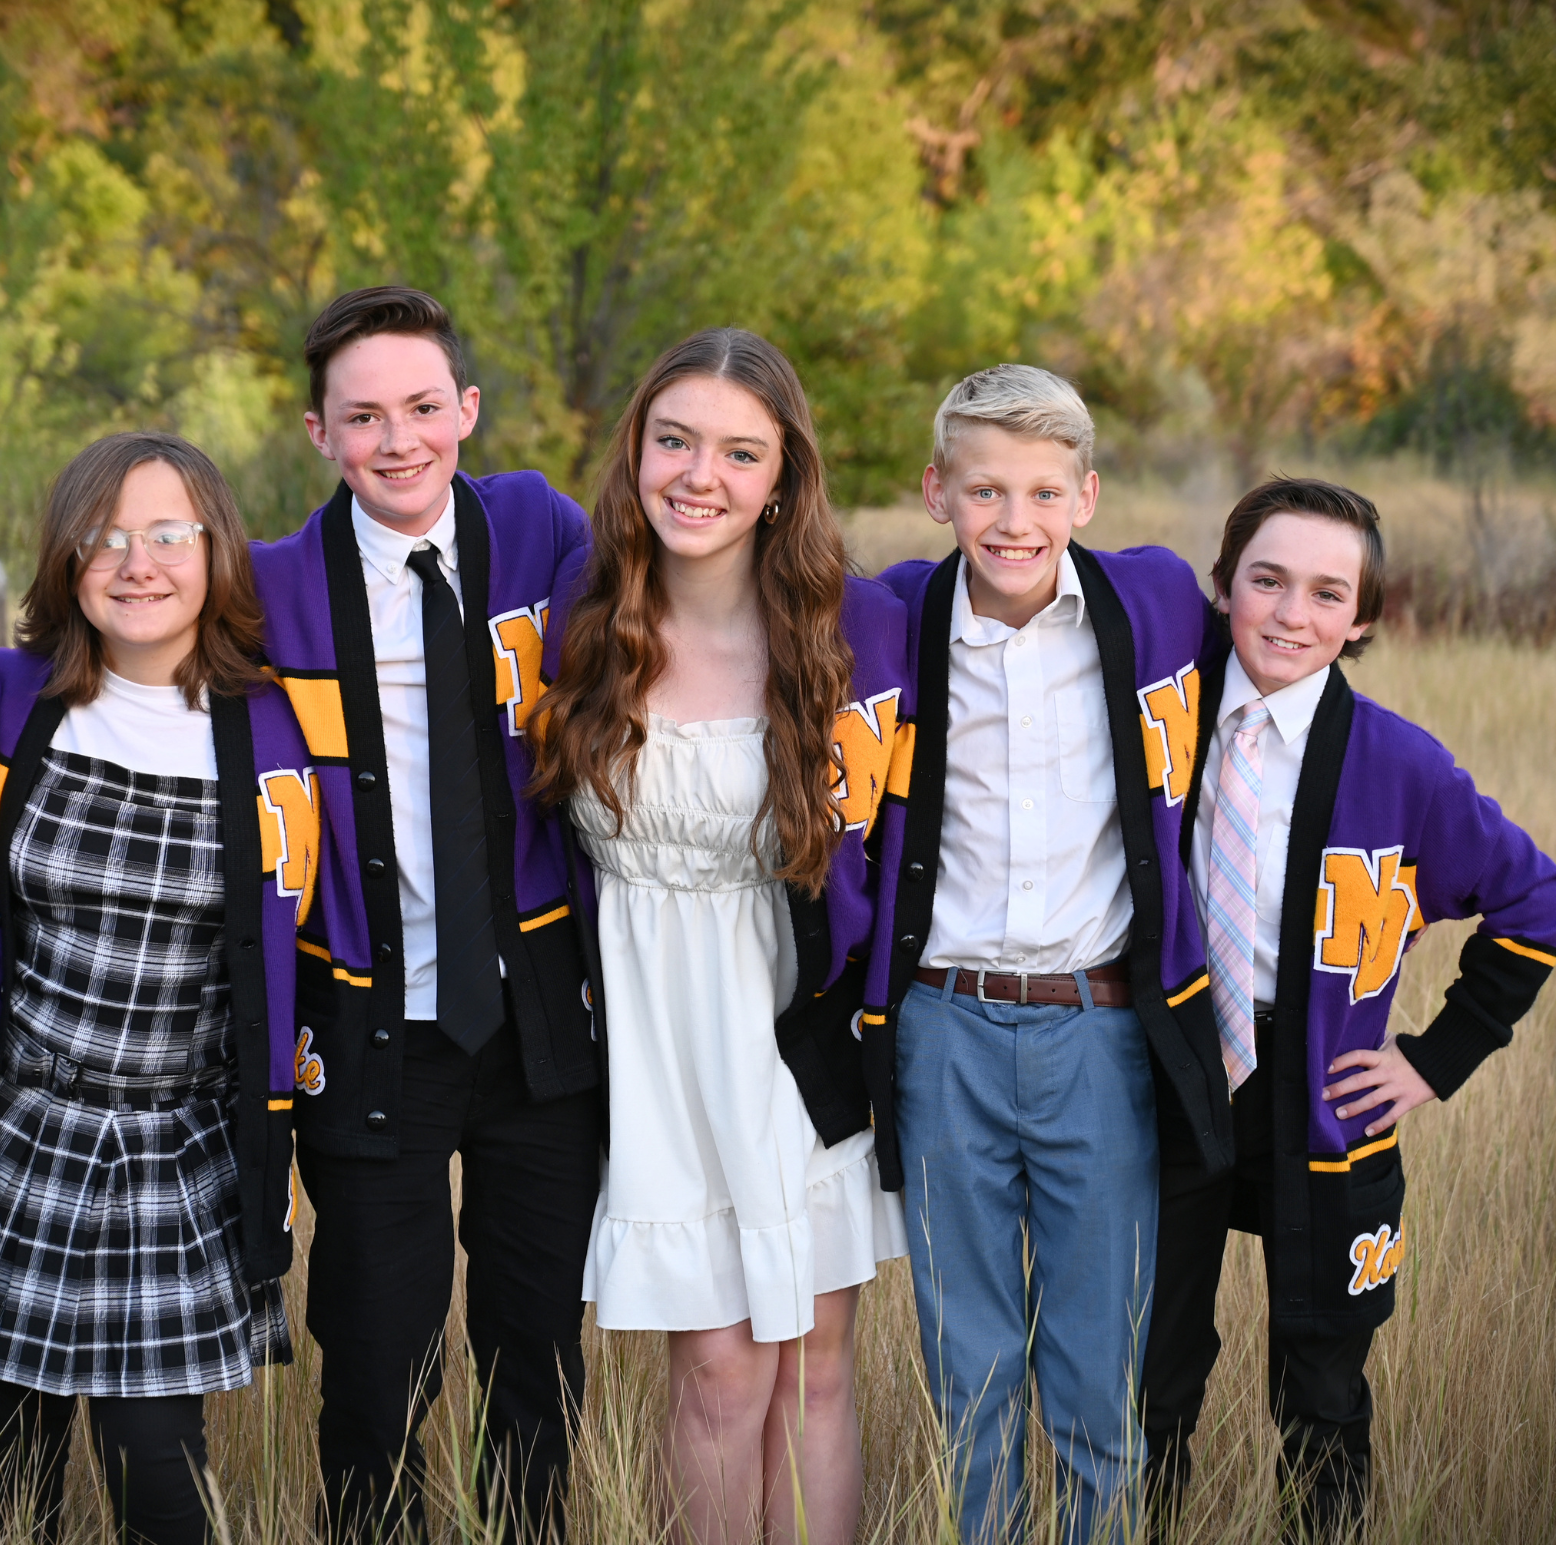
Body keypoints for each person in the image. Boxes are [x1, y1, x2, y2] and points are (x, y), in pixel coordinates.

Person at [529, 328, 911, 1545]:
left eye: (739, 453)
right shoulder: (571, 622)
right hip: (650, 1051)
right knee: (715, 1375)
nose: (700, 475)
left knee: (811, 1369)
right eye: (675, 440)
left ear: (783, 478)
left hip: (796, 1043)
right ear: (635, 448)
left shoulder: (856, 630)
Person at [1140, 478, 1556, 1540]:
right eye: (1266, 581)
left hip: (1320, 1097)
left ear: (1361, 618)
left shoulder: (1398, 764)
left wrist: (1434, 1057)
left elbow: (1533, 899)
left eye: (1327, 594)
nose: (1290, 614)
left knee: (1321, 1386)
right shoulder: (1158, 719)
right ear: (1221, 583)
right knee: (1147, 1373)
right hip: (1168, 1078)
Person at [250, 286, 601, 1540]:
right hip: (370, 1029)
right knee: (378, 1358)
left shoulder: (537, 527)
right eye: (361, 417)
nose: (396, 441)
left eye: (418, 407)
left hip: (537, 1028)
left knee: (535, 1348)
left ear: (464, 409)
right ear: (317, 434)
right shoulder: (271, 590)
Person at [0, 432, 316, 1545]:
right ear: (65, 560)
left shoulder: (275, 726)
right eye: (105, 538)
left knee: (159, 1470)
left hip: (178, 1145)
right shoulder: (6, 700)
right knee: (8, 1482)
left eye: (167, 535)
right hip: (27, 1135)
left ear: (215, 553)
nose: (135, 563)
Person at [871, 366, 1230, 1544]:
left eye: (1037, 491)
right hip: (943, 1029)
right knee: (966, 1375)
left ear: (1084, 494)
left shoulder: (1156, 605)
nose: (1010, 520)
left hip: (1099, 1033)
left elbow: (1284, 660)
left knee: (1092, 1376)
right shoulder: (892, 619)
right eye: (981, 489)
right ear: (936, 492)